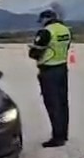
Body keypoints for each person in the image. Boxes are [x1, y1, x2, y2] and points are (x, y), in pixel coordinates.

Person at [27, 9, 72, 148]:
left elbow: (35, 53)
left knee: (53, 104)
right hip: (62, 68)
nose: (41, 23)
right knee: (63, 103)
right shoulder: (65, 30)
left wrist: (32, 49)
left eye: (41, 21)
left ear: (45, 19)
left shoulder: (46, 32)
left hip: (49, 70)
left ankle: (57, 137)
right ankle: (63, 134)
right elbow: (66, 47)